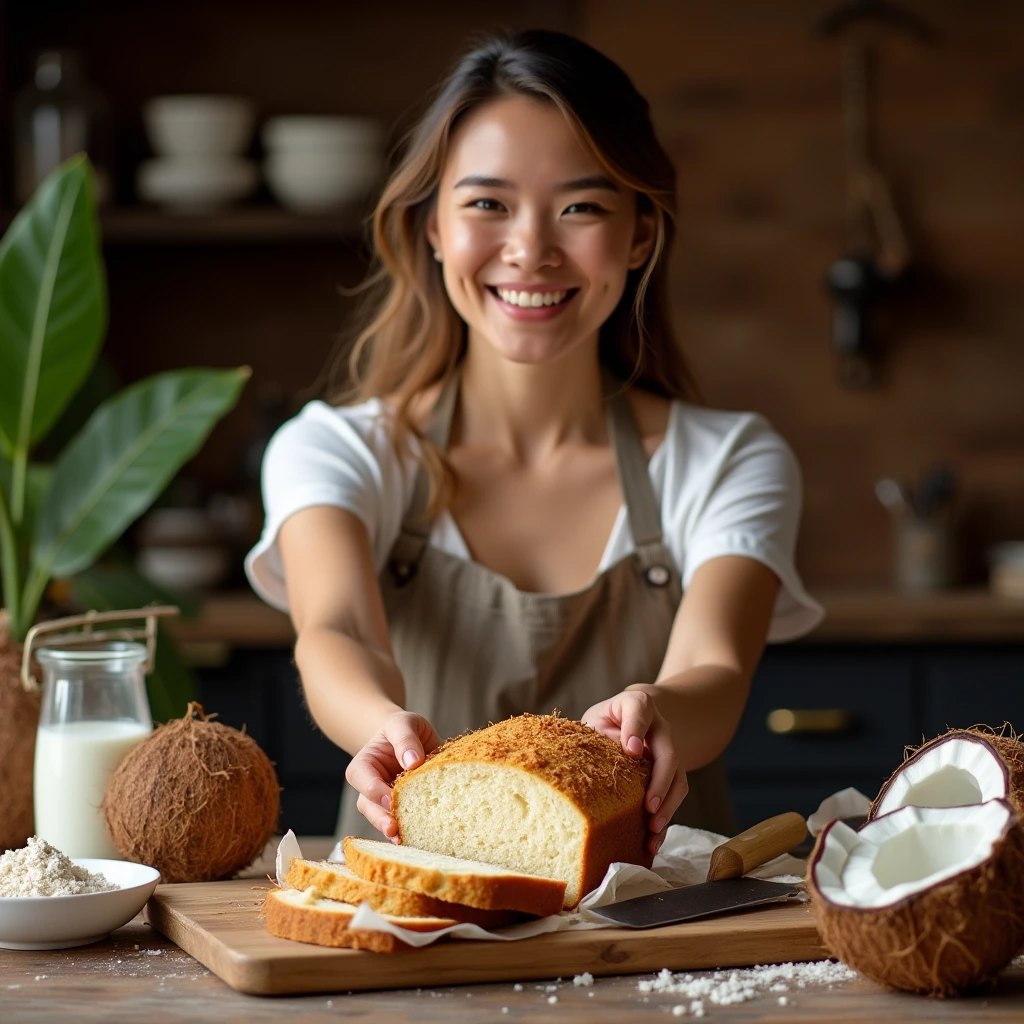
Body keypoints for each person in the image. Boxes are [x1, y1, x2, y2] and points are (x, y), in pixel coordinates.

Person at [245, 29, 824, 857]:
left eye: (581, 207)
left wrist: (659, 710)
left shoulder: (729, 460)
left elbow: (716, 667)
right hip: (409, 933)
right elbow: (337, 630)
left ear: (638, 236)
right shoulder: (338, 450)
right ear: (434, 227)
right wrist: (381, 724)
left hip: (664, 931)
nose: (531, 250)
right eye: (487, 203)